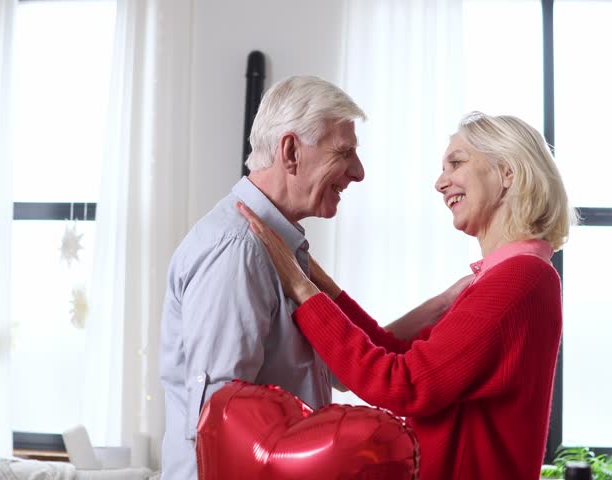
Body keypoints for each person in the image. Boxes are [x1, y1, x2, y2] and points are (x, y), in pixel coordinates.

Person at [158, 75, 471, 480]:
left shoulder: (280, 249)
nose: (357, 172)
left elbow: (340, 369)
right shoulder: (240, 249)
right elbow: (219, 426)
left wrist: (444, 304)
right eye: (344, 153)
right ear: (290, 151)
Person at [237, 111, 575, 480]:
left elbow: (402, 384)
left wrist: (302, 289)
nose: (440, 183)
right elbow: (395, 355)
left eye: (456, 163)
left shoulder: (518, 278)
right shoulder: (516, 275)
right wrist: (322, 285)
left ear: (507, 173)